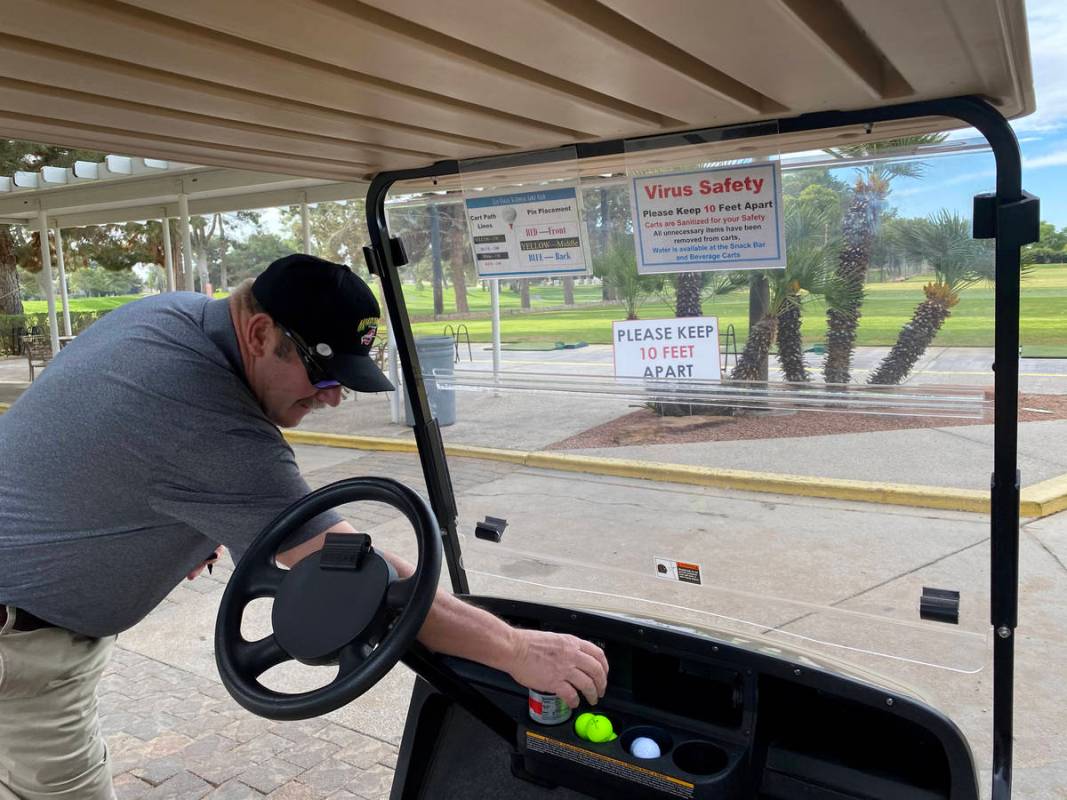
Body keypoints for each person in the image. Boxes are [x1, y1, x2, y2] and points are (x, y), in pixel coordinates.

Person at [0, 254, 608, 800]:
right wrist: (518, 648)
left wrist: (174, 524)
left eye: (345, 379)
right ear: (261, 334)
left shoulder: (171, 316)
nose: (334, 398)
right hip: (21, 649)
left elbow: (103, 451)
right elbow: (363, 576)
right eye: (323, 376)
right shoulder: (210, 423)